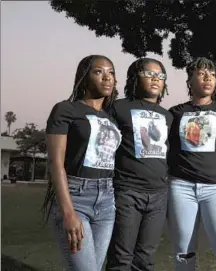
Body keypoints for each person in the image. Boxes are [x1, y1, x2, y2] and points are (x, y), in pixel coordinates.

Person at [42, 55, 121, 271]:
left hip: (107, 201)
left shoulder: (111, 117)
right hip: (76, 197)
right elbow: (55, 163)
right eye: (98, 72)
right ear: (84, 77)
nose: (107, 77)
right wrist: (68, 212)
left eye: (111, 72)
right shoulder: (66, 110)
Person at [167, 57, 216, 271]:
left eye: (212, 75)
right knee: (184, 256)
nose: (207, 78)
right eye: (201, 74)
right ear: (190, 80)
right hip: (180, 187)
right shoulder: (175, 113)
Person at [106, 58, 173, 271]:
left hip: (158, 196)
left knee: (146, 259)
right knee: (121, 258)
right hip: (127, 191)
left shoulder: (167, 115)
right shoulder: (119, 108)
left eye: (161, 76)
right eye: (149, 73)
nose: (156, 79)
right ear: (135, 77)